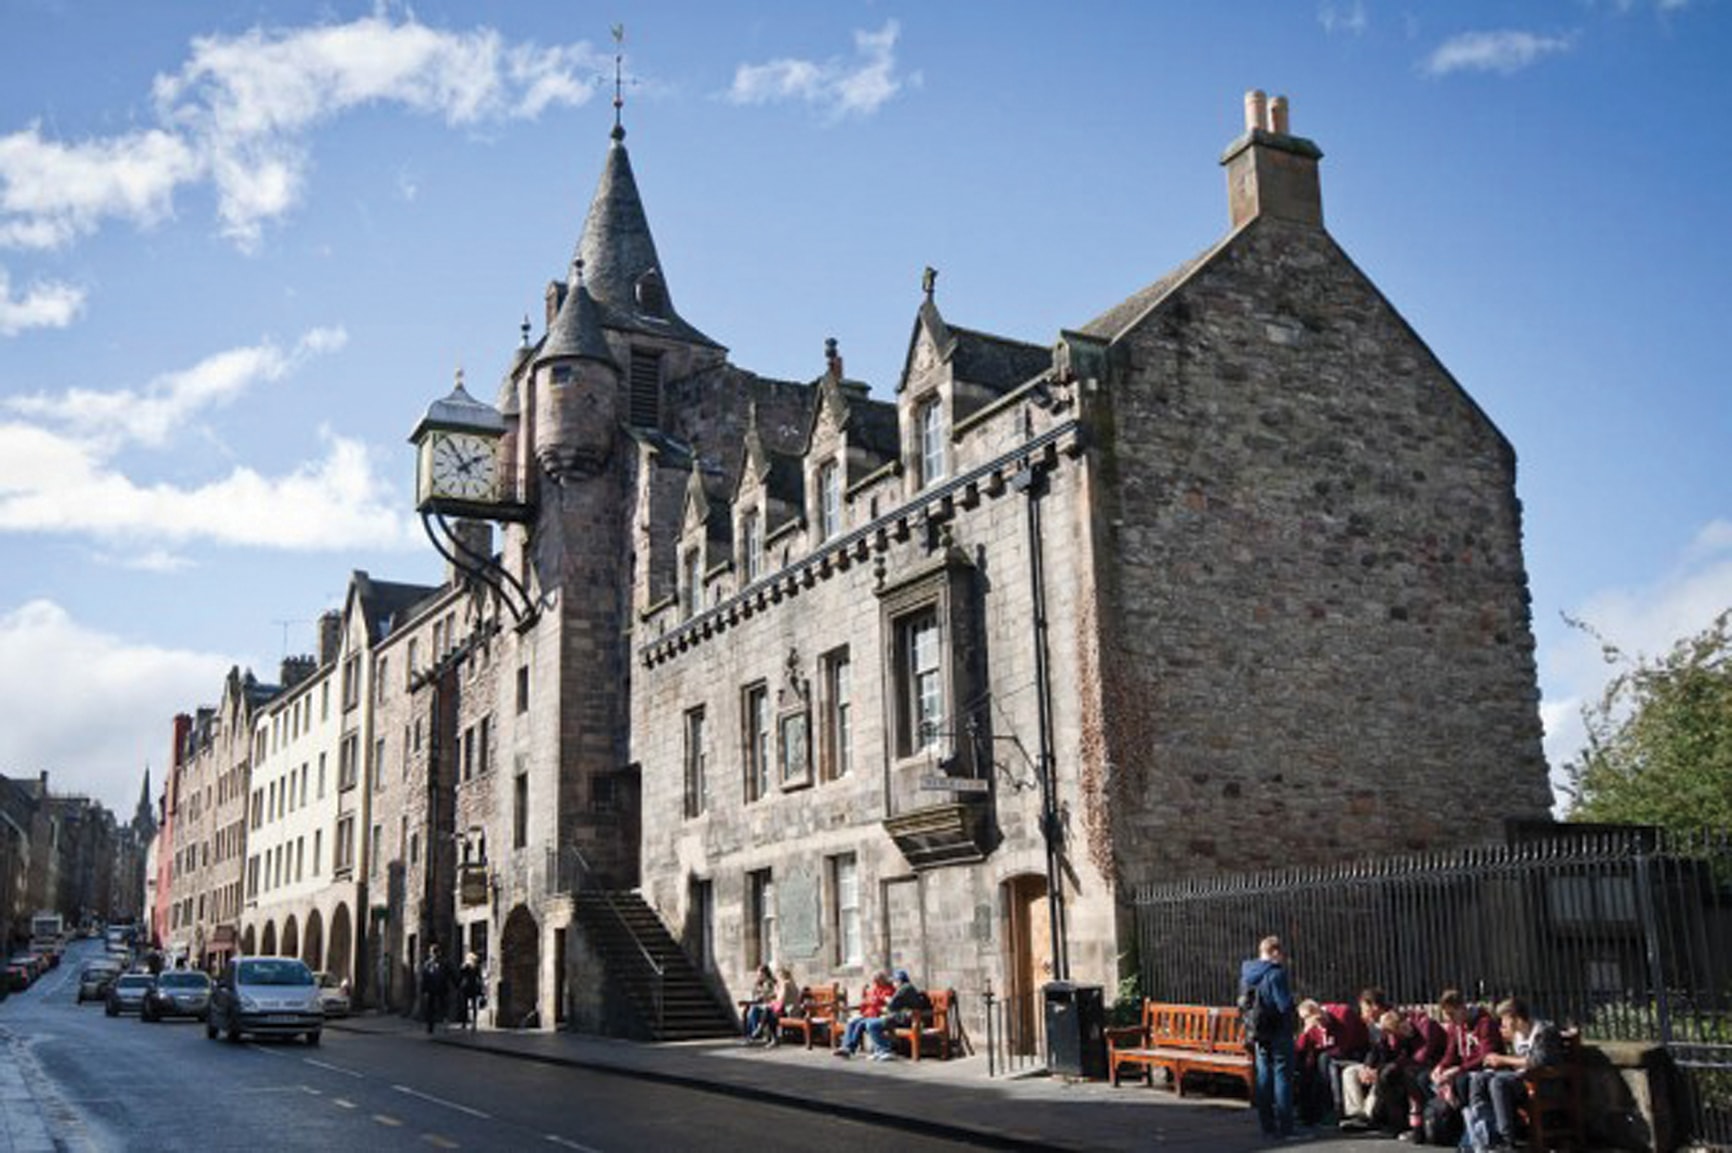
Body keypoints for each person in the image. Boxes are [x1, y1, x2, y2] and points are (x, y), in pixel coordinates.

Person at [1468, 996, 1563, 1150]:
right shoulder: (1518, 1035)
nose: (1502, 1024)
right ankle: (1484, 1135)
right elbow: (1518, 1062)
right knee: (1481, 1078)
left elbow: (1537, 1061)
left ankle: (1506, 1140)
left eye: (1505, 1019)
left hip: (1544, 1083)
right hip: (1523, 1080)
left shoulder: (1542, 1031)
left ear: (1516, 1018)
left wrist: (1503, 1060)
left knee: (1498, 1082)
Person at [1239, 935, 1297, 1140]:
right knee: (1283, 1077)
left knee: (1264, 1077)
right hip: (1278, 1031)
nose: (1283, 958)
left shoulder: (1247, 974)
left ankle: (1267, 1125)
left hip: (1258, 1032)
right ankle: (1286, 1127)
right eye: (1281, 954)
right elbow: (1283, 1005)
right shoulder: (1275, 974)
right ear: (1274, 952)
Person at [861, 969, 925, 1061]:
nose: (893, 984)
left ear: (899, 981)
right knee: (870, 1023)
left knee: (872, 1025)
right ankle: (879, 1050)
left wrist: (886, 999)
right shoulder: (906, 988)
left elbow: (891, 1005)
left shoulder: (905, 988)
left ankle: (885, 1050)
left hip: (905, 1019)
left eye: (894, 981)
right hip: (901, 1018)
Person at [833, 971, 894, 1058]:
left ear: (883, 980)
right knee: (852, 1022)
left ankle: (850, 1048)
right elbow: (865, 1002)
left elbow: (887, 1004)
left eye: (877, 980)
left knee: (859, 1024)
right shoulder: (873, 989)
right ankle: (845, 1047)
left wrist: (878, 1003)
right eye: (874, 981)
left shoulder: (888, 990)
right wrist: (859, 1011)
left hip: (876, 1016)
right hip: (866, 1014)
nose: (875, 983)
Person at [419, 944, 451, 1035]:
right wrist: (424, 990)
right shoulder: (427, 964)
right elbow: (424, 978)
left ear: (439, 953)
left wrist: (456, 984)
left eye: (435, 952)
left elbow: (450, 974)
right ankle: (430, 1027)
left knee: (443, 1006)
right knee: (430, 1008)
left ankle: (445, 1023)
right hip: (431, 989)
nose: (434, 955)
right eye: (432, 953)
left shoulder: (444, 963)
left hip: (442, 987)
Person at [741, 963, 777, 1044]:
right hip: (760, 1004)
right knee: (750, 1012)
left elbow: (773, 995)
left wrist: (763, 996)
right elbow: (754, 994)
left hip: (769, 1005)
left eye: (760, 974)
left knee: (753, 1011)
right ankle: (752, 1035)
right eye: (758, 974)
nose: (759, 975)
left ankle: (754, 1035)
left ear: (765, 973)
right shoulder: (758, 983)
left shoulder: (770, 982)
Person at [458, 952, 484, 1031]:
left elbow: (460, 975)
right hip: (472, 987)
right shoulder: (475, 967)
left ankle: (465, 1023)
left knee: (465, 1006)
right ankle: (473, 1023)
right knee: (473, 1006)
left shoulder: (467, 966)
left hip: (466, 987)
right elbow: (479, 978)